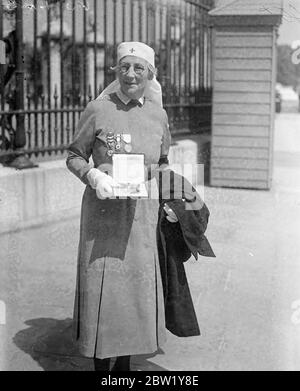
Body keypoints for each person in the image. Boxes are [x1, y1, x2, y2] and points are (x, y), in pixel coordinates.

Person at [66, 41, 176, 371]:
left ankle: (124, 368)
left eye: (138, 68)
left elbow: (164, 161)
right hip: (102, 218)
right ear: (116, 71)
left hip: (140, 218)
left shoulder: (158, 114)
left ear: (149, 74)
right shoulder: (98, 109)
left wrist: (171, 198)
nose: (130, 74)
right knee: (104, 288)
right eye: (124, 67)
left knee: (132, 291)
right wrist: (93, 176)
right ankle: (101, 368)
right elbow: (74, 155)